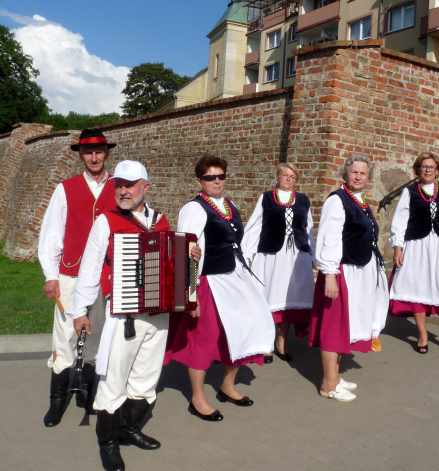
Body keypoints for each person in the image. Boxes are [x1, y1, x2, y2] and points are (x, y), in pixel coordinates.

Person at [70, 160, 171, 471]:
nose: (123, 191)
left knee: (145, 379)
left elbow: (173, 264)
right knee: (113, 382)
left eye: (129, 185)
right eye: (119, 185)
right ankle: (108, 442)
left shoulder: (162, 221)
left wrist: (192, 259)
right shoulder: (106, 222)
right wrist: (80, 311)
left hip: (159, 315)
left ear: (145, 187)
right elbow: (88, 268)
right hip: (124, 315)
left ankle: (128, 429)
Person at [165, 155, 275, 422]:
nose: (216, 181)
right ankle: (198, 397)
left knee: (241, 330)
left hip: (234, 278)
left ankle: (227, 385)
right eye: (210, 177)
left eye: (220, 176)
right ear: (199, 180)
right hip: (209, 281)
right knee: (203, 338)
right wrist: (191, 294)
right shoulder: (193, 209)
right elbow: (185, 251)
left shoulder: (231, 205)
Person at [38, 129, 116, 427]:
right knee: (65, 336)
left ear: (106, 153)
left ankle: (88, 390)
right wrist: (50, 275)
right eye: (88, 152)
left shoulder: (119, 188)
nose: (93, 157)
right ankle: (57, 402)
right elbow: (51, 234)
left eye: (98, 151)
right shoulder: (66, 188)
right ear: (81, 155)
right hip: (70, 274)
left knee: (97, 334)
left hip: (105, 276)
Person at [309, 154, 389, 402]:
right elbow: (329, 238)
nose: (358, 176)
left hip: (359, 272)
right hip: (342, 271)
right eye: (354, 172)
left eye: (363, 173)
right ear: (346, 174)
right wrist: (330, 274)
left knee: (347, 324)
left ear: (368, 178)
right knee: (335, 327)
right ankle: (328, 384)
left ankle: (336, 376)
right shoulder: (337, 200)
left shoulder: (360, 201)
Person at [388, 152, 439, 355]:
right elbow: (399, 223)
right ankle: (423, 334)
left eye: (431, 167)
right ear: (418, 170)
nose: (427, 170)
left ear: (437, 170)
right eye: (423, 167)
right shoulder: (409, 192)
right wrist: (398, 248)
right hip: (417, 246)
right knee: (418, 289)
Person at [241, 163, 314, 362]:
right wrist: (247, 253)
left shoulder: (303, 200)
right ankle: (265, 344)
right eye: (285, 175)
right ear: (278, 177)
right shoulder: (266, 198)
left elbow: (308, 229)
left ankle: (281, 342)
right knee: (268, 299)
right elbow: (255, 225)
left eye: (293, 176)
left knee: (288, 300)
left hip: (295, 257)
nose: (289, 179)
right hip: (271, 256)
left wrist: (312, 255)